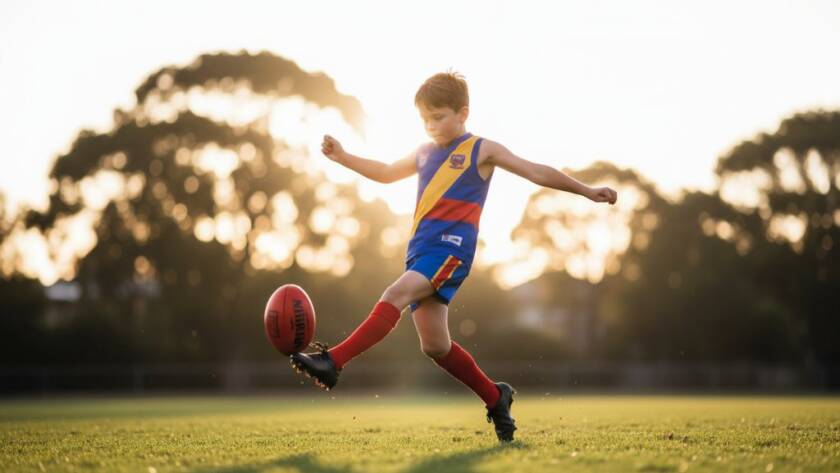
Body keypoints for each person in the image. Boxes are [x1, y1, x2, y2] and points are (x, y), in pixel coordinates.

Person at [290, 71, 617, 442]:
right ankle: (497, 397)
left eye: (439, 116)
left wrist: (587, 190)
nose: (431, 125)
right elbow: (384, 172)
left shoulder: (481, 149)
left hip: (451, 250)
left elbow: (535, 171)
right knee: (435, 346)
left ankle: (333, 362)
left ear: (463, 113)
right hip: (419, 253)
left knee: (394, 295)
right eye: (425, 119)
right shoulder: (424, 152)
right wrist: (344, 157)